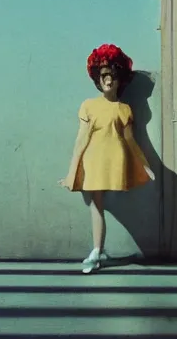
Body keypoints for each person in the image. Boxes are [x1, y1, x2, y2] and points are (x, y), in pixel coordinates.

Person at [58, 44, 155, 274]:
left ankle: (97, 251)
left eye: (112, 76)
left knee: (98, 205)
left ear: (120, 79)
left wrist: (144, 165)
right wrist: (72, 172)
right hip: (92, 162)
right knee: (96, 205)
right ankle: (97, 250)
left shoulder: (124, 109)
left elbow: (131, 141)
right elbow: (80, 140)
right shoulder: (88, 106)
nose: (108, 81)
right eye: (104, 76)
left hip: (114, 163)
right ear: (97, 79)